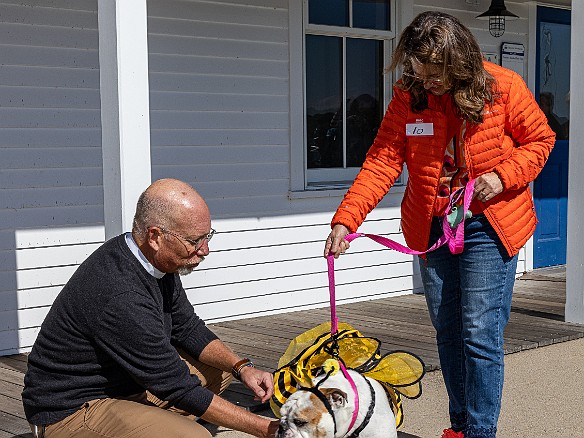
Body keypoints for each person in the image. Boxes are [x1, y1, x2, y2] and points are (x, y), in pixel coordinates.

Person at [324, 12, 555, 438]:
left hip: (490, 223)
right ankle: (460, 426)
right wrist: (346, 220)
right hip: (432, 226)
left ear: (458, 62)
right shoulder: (408, 95)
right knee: (448, 331)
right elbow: (381, 161)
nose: (426, 82)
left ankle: (480, 432)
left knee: (479, 333)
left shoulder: (503, 86)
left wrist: (502, 176)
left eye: (435, 75)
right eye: (418, 72)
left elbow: (542, 140)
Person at [22, 179, 279, 438]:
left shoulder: (155, 262)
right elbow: (178, 387)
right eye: (195, 240)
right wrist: (271, 430)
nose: (205, 250)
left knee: (221, 370)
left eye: (207, 236)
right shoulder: (120, 293)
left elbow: (187, 328)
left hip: (125, 387)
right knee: (194, 436)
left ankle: (147, 424)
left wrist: (243, 368)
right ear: (155, 236)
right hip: (70, 411)